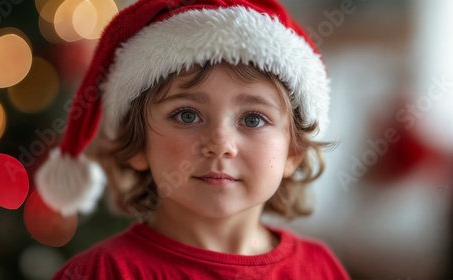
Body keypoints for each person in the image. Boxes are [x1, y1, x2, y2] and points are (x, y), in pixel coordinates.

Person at [35, 0, 350, 279]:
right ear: (139, 142)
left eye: (253, 119)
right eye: (187, 115)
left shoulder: (319, 268)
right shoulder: (103, 272)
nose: (220, 144)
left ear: (293, 153)